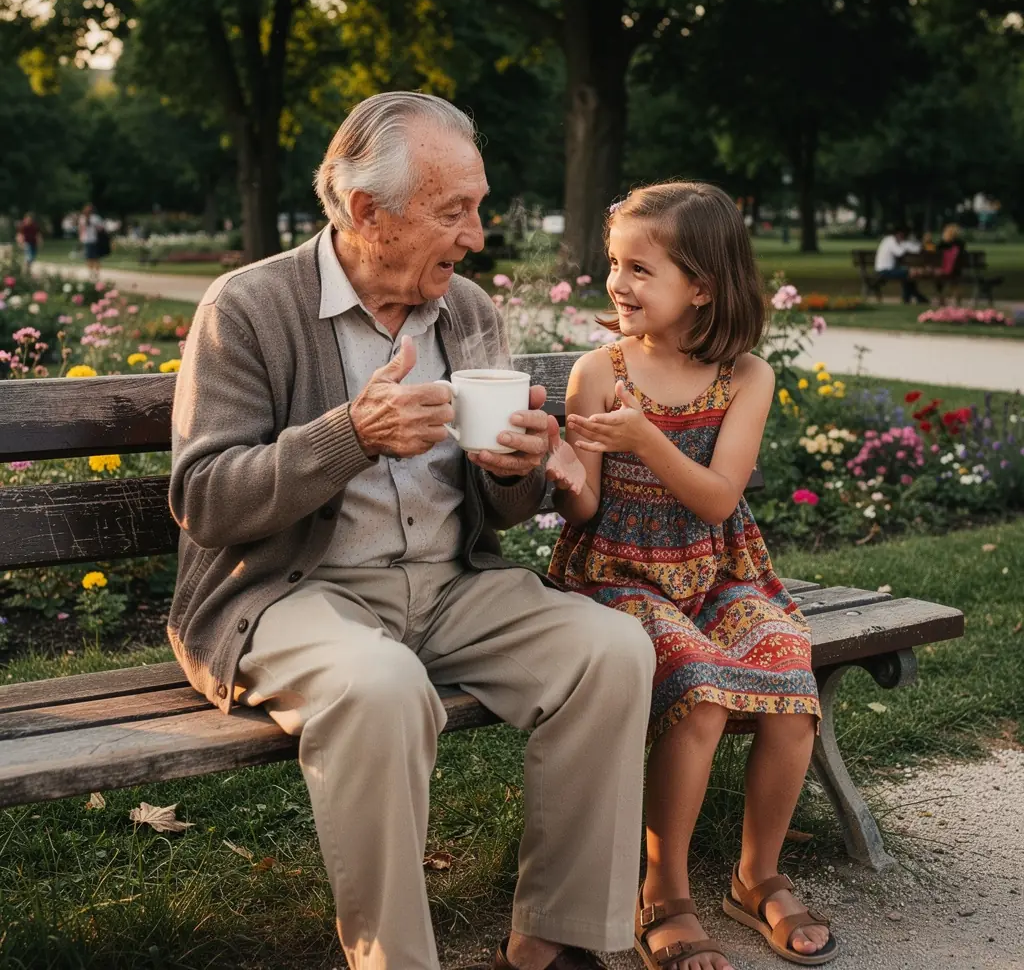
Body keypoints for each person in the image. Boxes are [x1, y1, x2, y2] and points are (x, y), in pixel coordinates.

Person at [168, 91, 655, 970]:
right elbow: (206, 499)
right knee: (381, 685)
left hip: (449, 583)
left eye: (478, 204)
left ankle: (559, 941)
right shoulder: (247, 308)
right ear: (367, 212)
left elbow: (497, 507)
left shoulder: (464, 310)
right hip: (290, 595)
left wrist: (517, 469)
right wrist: (349, 435)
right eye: (453, 211)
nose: (476, 234)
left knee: (611, 651)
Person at [544, 182, 838, 970]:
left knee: (790, 678)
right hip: (619, 578)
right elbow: (584, 508)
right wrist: (562, 466)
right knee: (700, 692)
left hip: (714, 571)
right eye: (614, 264)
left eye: (641, 268)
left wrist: (644, 438)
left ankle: (756, 875)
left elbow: (716, 500)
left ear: (701, 285)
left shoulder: (746, 377)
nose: (617, 283)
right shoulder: (598, 371)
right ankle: (663, 891)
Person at [874, 226, 928, 304]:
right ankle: (914, 298)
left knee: (908, 274)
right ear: (899, 233)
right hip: (884, 271)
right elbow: (900, 252)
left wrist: (905, 245)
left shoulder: (889, 240)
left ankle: (910, 298)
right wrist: (906, 245)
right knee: (910, 273)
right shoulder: (890, 240)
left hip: (887, 270)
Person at [78, 203, 104, 277]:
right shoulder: (82, 218)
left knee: (96, 257)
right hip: (87, 240)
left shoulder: (95, 218)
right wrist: (80, 238)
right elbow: (81, 229)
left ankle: (96, 272)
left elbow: (101, 228)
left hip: (95, 240)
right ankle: (91, 272)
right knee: (88, 257)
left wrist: (96, 228)